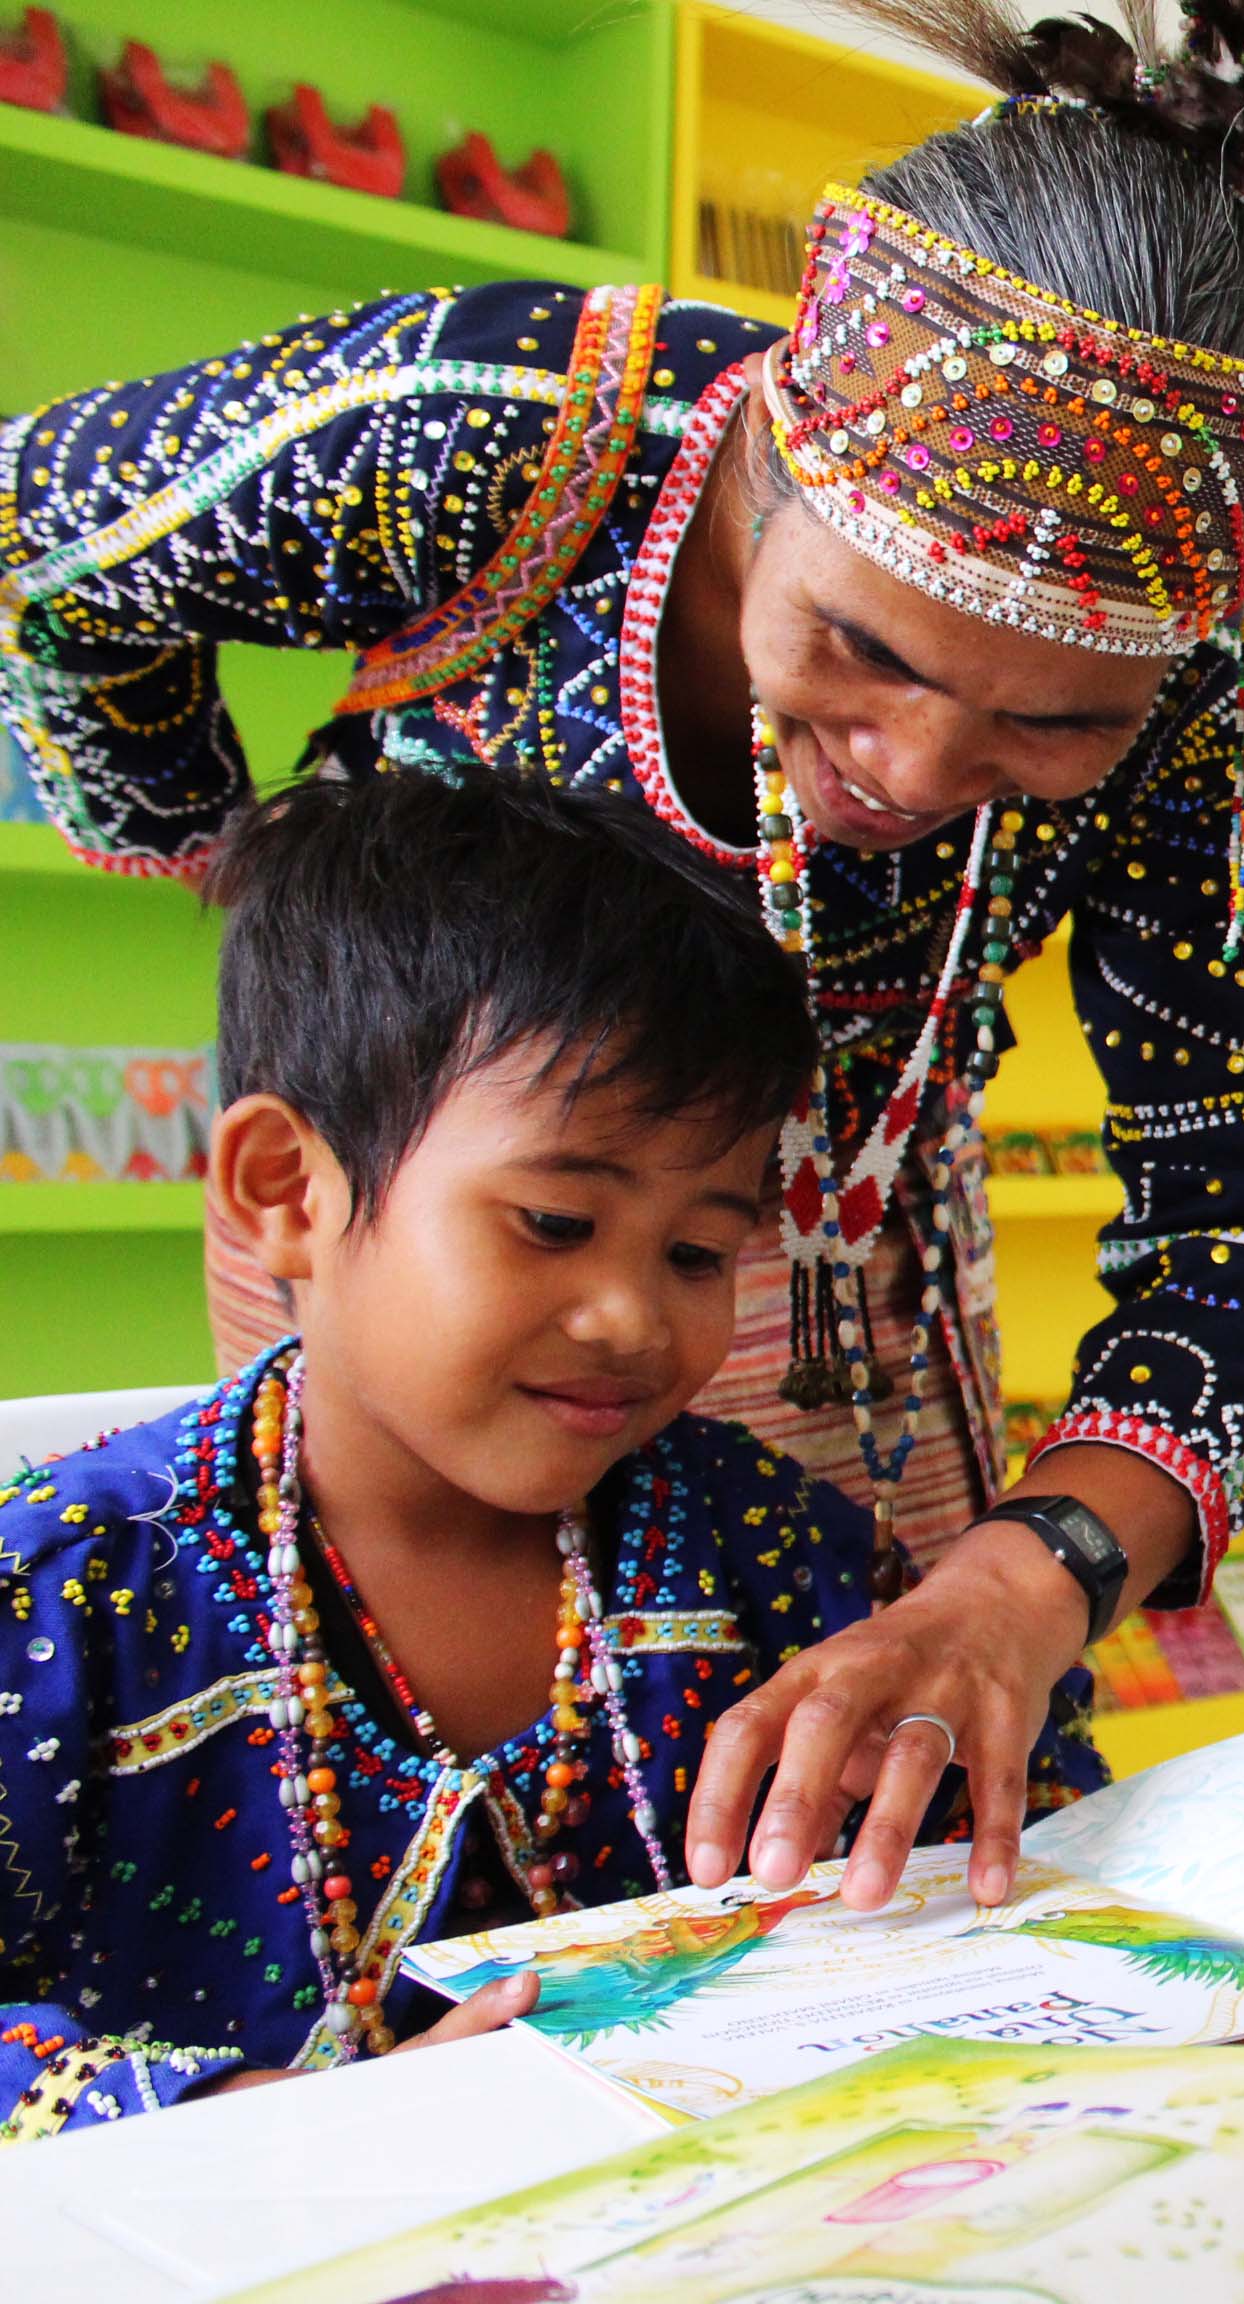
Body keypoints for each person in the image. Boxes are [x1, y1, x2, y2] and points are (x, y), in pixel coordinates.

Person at [0, 0, 1244, 1913]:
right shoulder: (491, 437)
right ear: (779, 437)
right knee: (370, 1809)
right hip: (439, 1223)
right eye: (865, 651)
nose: (922, 779)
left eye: (1053, 733)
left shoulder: (1194, 709)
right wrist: (239, 859)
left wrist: (1019, 1580)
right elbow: (50, 550)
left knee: (860, 1837)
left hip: (841, 1270)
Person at [0, 774, 1105, 2137]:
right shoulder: (66, 1594)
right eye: (553, 1223)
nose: (632, 1319)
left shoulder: (781, 1560)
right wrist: (245, 2116)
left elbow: (1042, 1863)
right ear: (289, 1190)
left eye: (699, 1251)